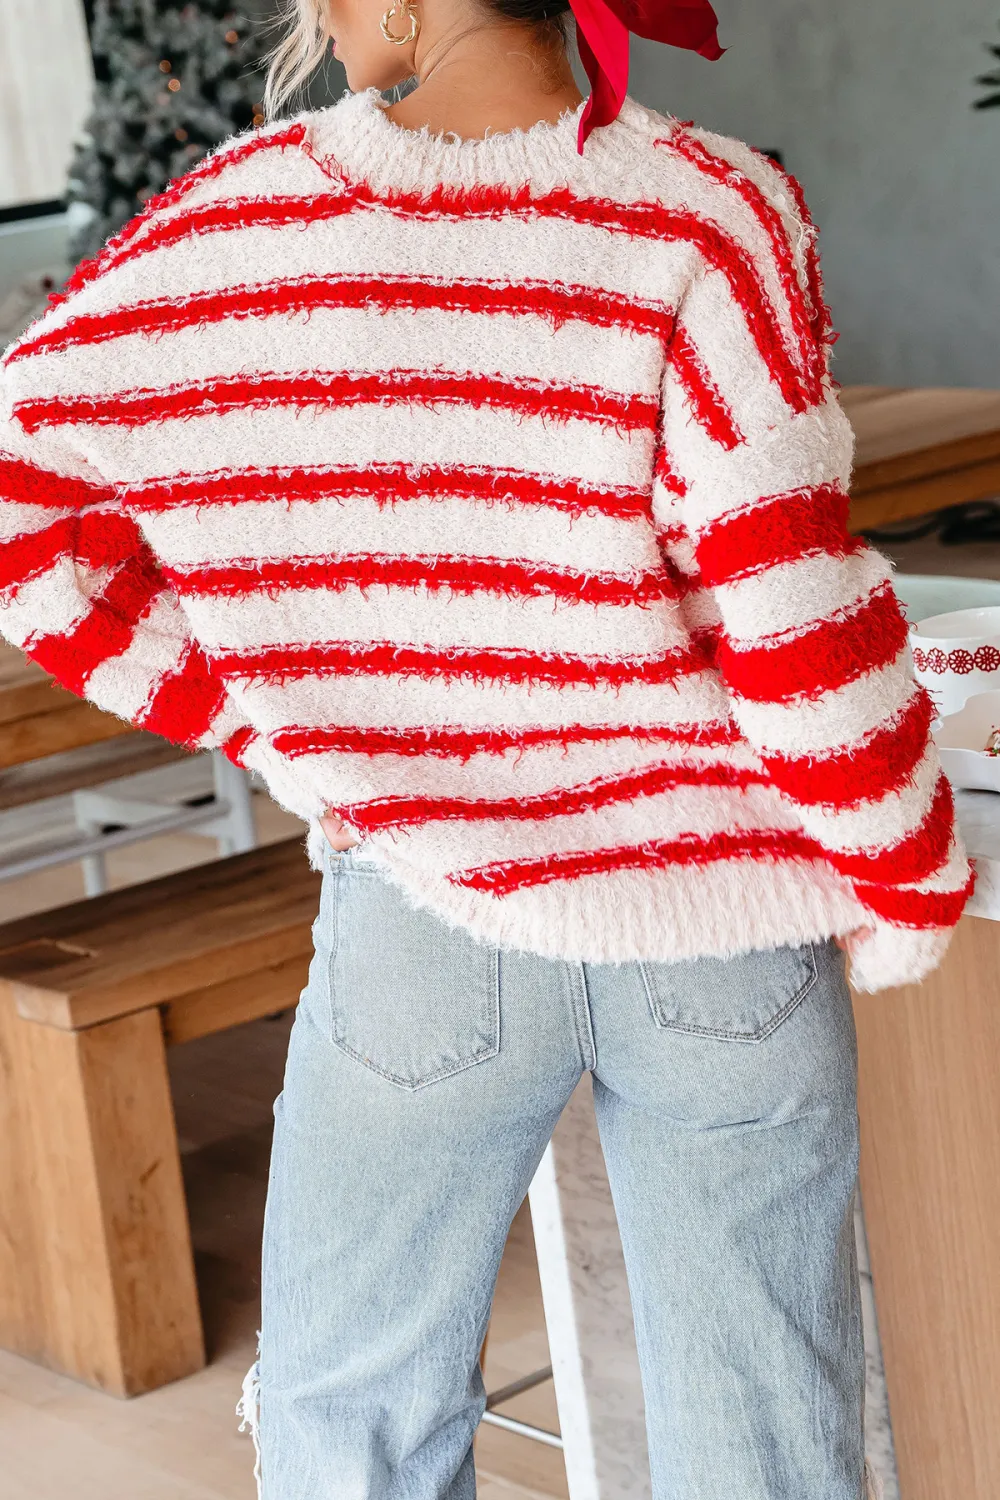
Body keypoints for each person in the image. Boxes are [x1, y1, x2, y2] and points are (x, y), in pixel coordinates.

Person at [0, 0, 971, 1493]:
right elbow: (792, 607)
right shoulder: (712, 208)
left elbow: (24, 508)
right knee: (766, 1424)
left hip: (423, 923)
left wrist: (258, 720)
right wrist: (902, 882)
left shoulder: (231, 227)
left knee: (352, 1411)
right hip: (726, 932)